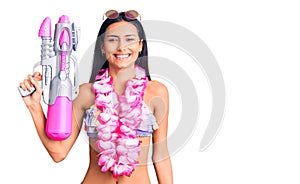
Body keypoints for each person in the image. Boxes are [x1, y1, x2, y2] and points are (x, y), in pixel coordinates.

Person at [19, 10, 173, 184]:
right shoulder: (85, 93)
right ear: (102, 46)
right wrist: (34, 106)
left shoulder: (157, 92)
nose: (122, 47)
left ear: (140, 45)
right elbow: (59, 152)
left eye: (129, 39)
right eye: (113, 39)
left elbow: (161, 155)